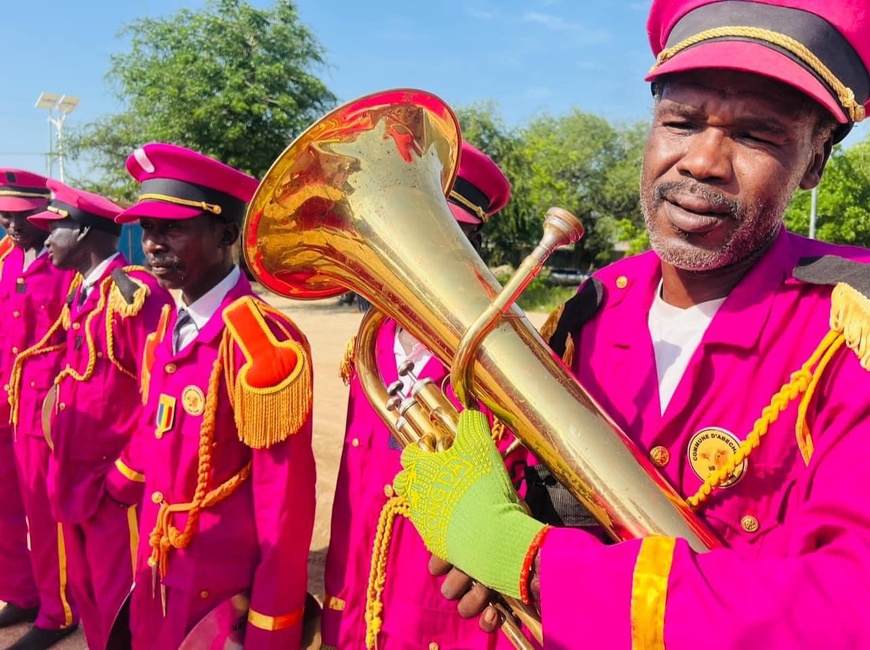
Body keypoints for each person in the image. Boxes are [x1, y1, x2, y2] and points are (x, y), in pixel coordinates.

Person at [393, 0, 870, 648]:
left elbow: (846, 608)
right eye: (680, 121)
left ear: (813, 165)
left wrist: (532, 565)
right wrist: (479, 513)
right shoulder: (586, 311)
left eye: (756, 135)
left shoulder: (853, 325)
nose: (703, 161)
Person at [320, 142, 532, 650]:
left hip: (444, 623)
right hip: (363, 613)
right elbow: (355, 496)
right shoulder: (370, 347)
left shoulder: (509, 361)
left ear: (469, 242)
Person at [111, 142, 317, 649]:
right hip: (160, 570)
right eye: (149, 229)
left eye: (174, 228)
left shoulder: (261, 343)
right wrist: (117, 484)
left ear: (226, 233)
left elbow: (285, 506)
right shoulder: (167, 327)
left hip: (219, 595)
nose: (154, 244)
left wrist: (273, 626)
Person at [11, 180, 174, 650]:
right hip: (75, 475)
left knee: (122, 600)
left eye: (54, 231)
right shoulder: (85, 291)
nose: (45, 241)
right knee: (89, 596)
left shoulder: (133, 295)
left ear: (81, 234)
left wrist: (127, 476)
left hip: (111, 485)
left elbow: (155, 395)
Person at [0, 170, 78, 650]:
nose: (10, 222)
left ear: (41, 213)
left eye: (19, 214)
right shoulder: (5, 258)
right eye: (4, 214)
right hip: (1, 400)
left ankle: (58, 608)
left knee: (44, 511)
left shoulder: (66, 261)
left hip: (40, 404)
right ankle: (22, 592)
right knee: (4, 505)